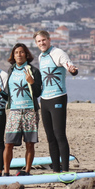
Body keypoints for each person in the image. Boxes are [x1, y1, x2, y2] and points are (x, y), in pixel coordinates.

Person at [34, 30, 78, 173]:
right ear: (36, 43)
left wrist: (72, 70)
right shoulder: (41, 56)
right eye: (39, 41)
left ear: (49, 40)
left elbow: (70, 66)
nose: (42, 43)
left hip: (58, 97)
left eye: (44, 40)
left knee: (59, 134)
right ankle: (56, 170)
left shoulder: (59, 53)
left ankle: (65, 170)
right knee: (50, 137)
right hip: (44, 100)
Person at [0, 43, 42, 176]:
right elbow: (8, 94)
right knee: (8, 143)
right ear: (13, 55)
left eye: (22, 52)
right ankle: (6, 172)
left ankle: (27, 171)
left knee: (30, 143)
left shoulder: (33, 71)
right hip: (14, 111)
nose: (19, 54)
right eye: (16, 52)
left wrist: (32, 82)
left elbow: (37, 93)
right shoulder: (10, 70)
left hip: (30, 110)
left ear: (26, 54)